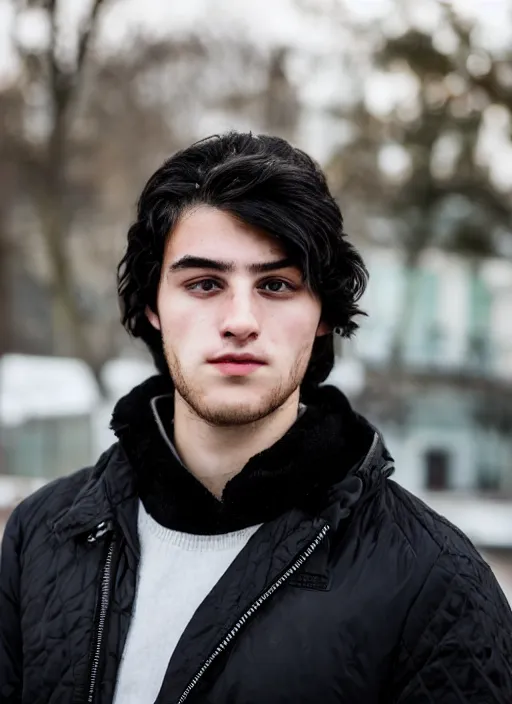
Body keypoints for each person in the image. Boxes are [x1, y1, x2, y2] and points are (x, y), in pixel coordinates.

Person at [1, 132, 511, 704]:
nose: (240, 320)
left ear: (322, 313)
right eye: (204, 284)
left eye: (276, 285)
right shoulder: (39, 538)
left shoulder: (436, 585)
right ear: (153, 307)